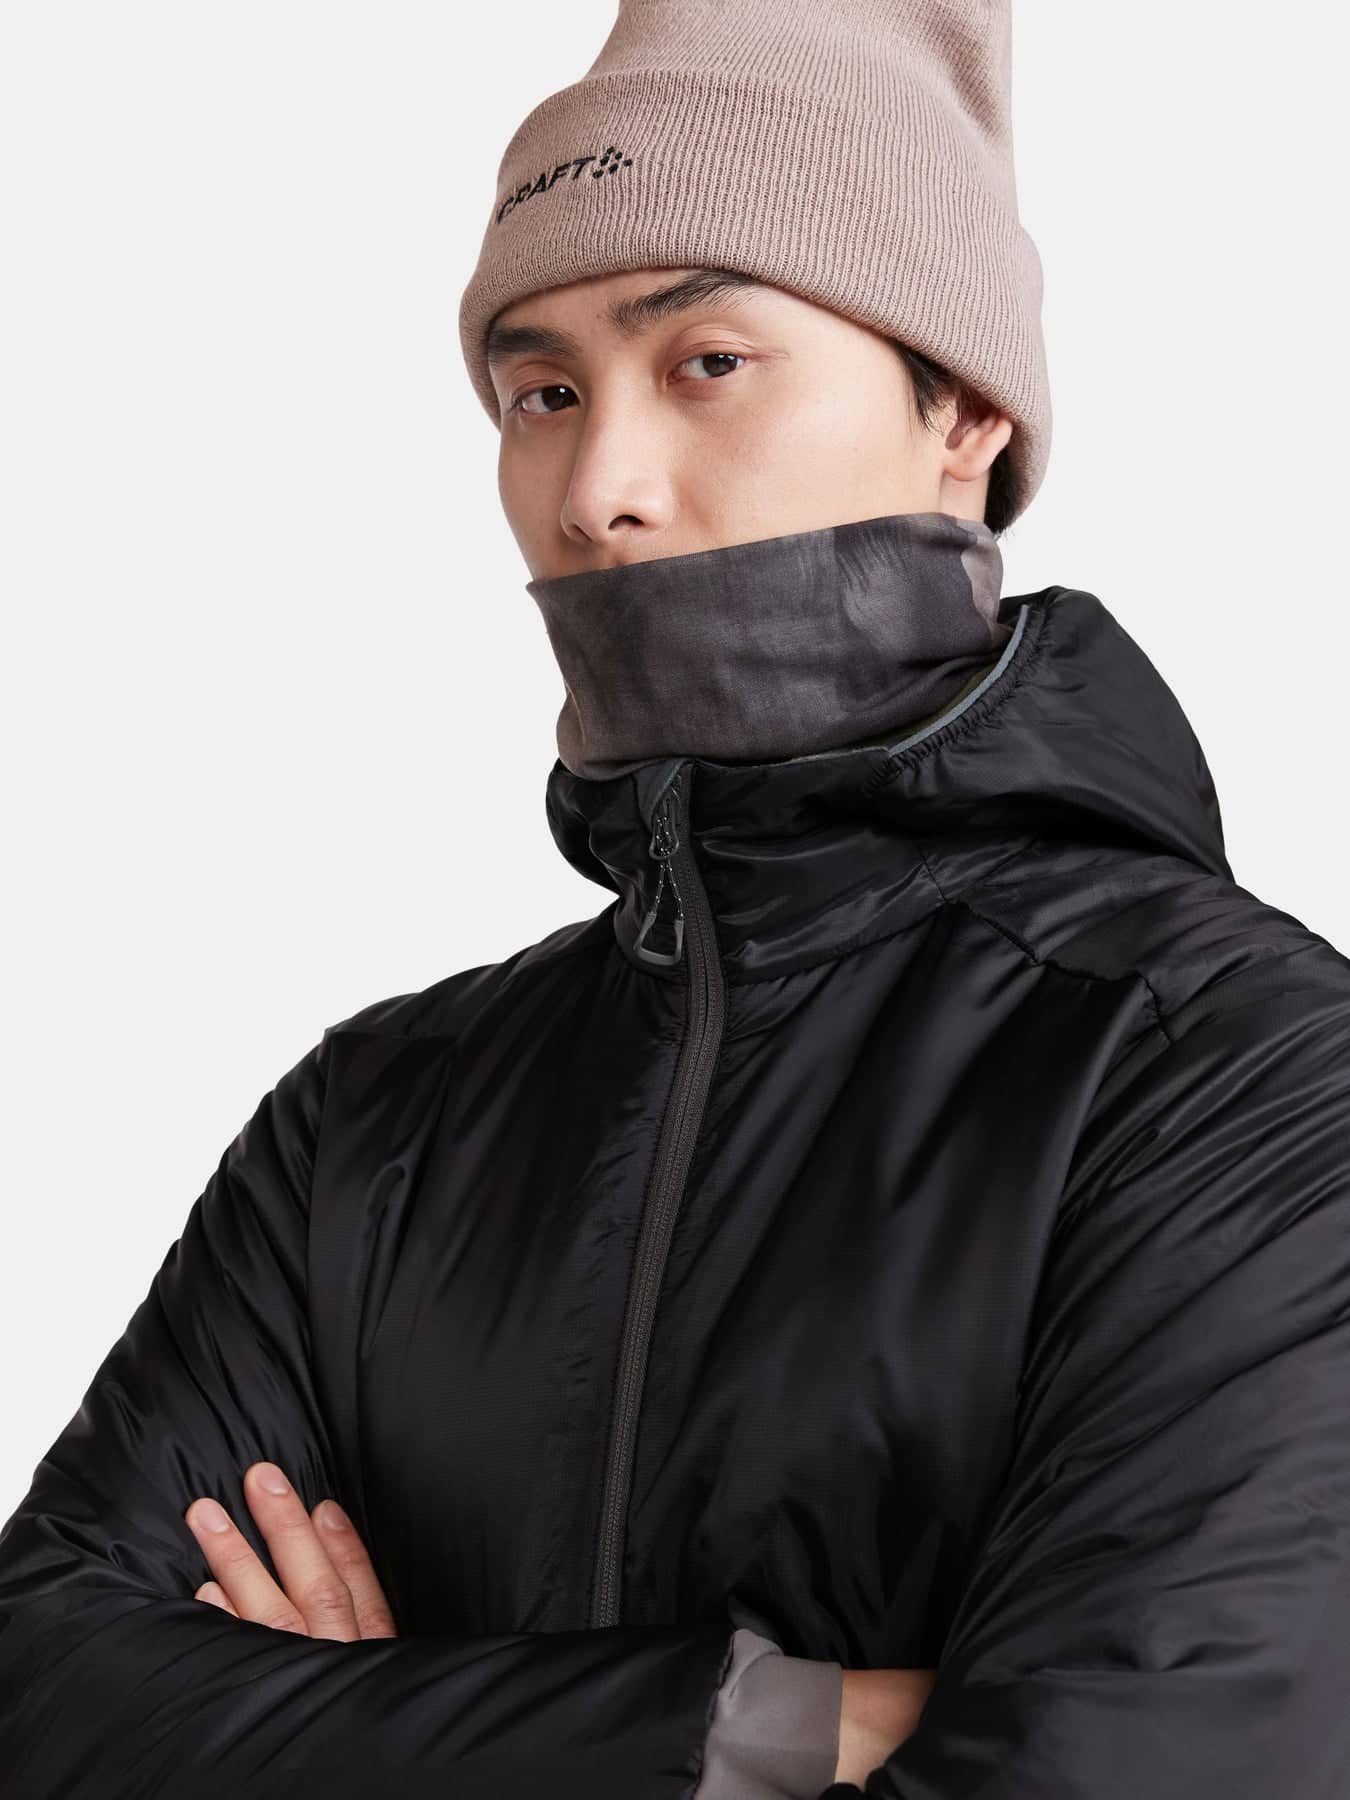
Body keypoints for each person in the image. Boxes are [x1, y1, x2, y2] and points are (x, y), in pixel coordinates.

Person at [4, 2, 1350, 1796]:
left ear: (963, 409)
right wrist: (774, 1729)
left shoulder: (1233, 1077)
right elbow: (47, 1692)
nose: (600, 493)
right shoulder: (375, 1120)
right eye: (542, 394)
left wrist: (362, 1732)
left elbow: (1154, 1763)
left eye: (707, 361)